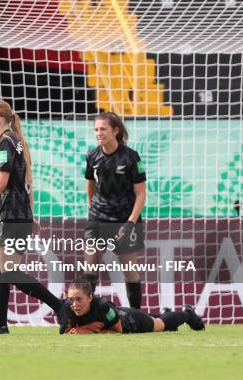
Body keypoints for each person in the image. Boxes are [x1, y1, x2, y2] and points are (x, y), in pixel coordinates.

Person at [0, 99, 61, 334]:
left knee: (9, 271)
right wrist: (30, 214)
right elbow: (27, 181)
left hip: (12, 216)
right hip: (13, 215)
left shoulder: (6, 144)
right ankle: (0, 323)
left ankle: (60, 306)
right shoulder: (16, 140)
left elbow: (1, 181)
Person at [83, 112, 147, 309]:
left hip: (125, 220)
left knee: (130, 271)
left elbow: (141, 194)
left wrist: (130, 223)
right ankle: (84, 316)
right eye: (96, 129)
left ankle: (136, 316)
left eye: (103, 129)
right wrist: (94, 208)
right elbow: (90, 186)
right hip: (98, 219)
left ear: (115, 130)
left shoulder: (132, 157)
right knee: (90, 268)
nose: (99, 133)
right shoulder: (92, 156)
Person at [58, 279, 205, 334]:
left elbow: (118, 331)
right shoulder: (67, 308)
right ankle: (164, 313)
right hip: (121, 314)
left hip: (130, 321)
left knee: (161, 324)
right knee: (160, 320)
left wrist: (88, 330)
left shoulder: (104, 307)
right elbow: (66, 331)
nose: (75, 304)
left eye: (79, 299)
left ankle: (188, 314)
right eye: (71, 299)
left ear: (90, 297)